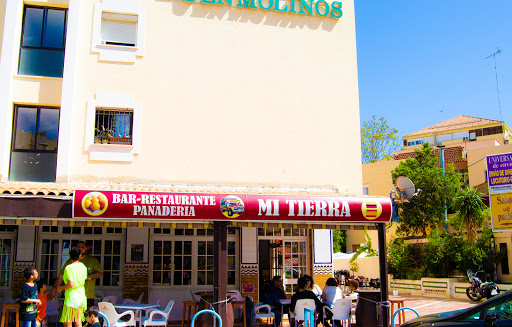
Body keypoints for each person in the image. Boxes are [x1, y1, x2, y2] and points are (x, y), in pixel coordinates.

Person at [55, 241, 103, 308]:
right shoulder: (69, 263)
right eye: (78, 247)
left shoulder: (91, 261)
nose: (80, 249)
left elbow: (100, 273)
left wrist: (89, 276)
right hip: (72, 296)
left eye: (82, 247)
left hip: (87, 295)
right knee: (74, 317)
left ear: (86, 248)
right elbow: (61, 276)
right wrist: (54, 289)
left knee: (86, 317)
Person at [56, 247, 87, 327]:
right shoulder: (83, 266)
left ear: (69, 255)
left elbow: (70, 285)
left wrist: (61, 288)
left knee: (67, 322)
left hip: (72, 298)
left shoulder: (69, 268)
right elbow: (85, 278)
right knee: (78, 321)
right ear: (80, 255)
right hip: (81, 296)